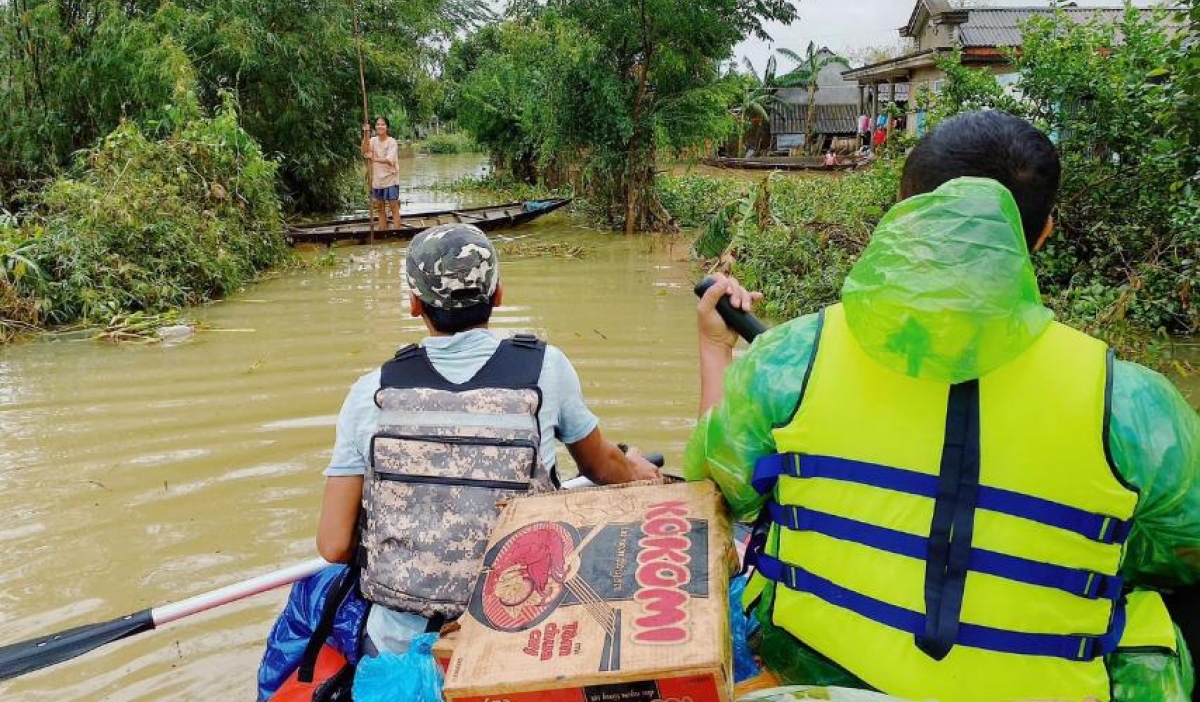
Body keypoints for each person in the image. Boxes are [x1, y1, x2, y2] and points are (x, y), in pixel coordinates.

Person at [688, 110, 1198, 702]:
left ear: (903, 211)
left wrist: (715, 348)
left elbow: (714, 485)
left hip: (819, 674)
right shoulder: (1134, 402)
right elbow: (1182, 557)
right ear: (1042, 233)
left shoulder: (791, 357)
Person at [317, 223, 660, 655]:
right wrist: (641, 472)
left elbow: (333, 545)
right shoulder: (546, 369)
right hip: (519, 639)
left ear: (413, 303)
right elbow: (603, 467)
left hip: (401, 646)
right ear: (498, 293)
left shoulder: (370, 393)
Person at [361, 116, 401, 231]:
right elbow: (364, 151)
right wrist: (366, 134)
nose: (380, 126)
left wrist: (373, 158)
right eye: (378, 124)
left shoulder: (391, 142)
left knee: (394, 207)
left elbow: (390, 160)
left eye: (383, 124)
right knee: (380, 208)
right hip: (377, 180)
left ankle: (397, 232)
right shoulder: (372, 141)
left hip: (390, 179)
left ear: (387, 127)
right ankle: (383, 232)